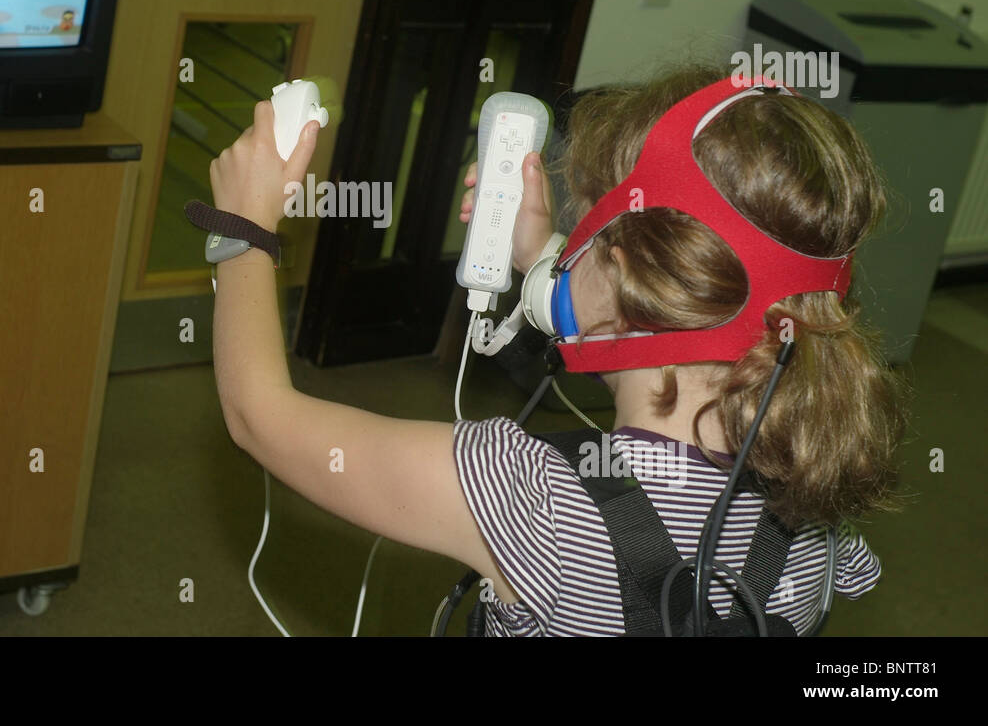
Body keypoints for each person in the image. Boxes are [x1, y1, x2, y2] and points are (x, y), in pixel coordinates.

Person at [205, 62, 908, 636]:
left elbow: (258, 416)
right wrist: (542, 266)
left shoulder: (530, 499)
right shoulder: (815, 501)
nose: (574, 246)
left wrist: (241, 225)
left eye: (589, 230)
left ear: (631, 273)